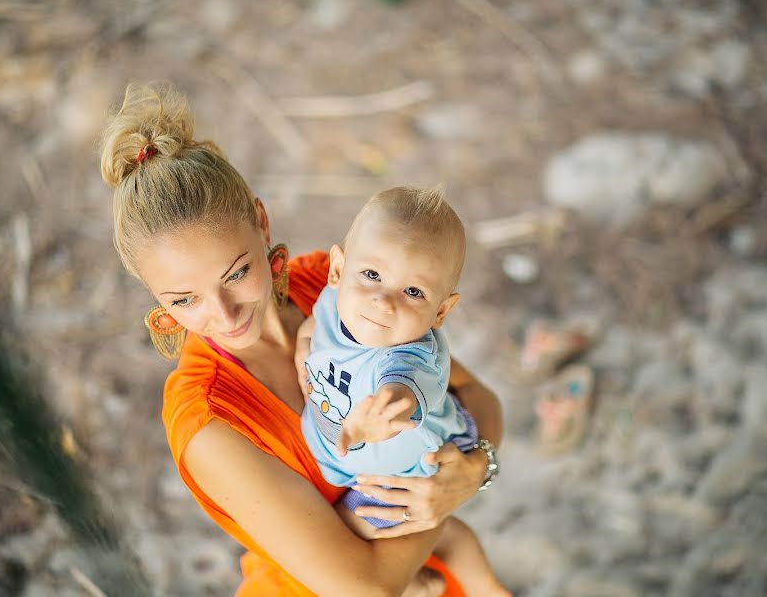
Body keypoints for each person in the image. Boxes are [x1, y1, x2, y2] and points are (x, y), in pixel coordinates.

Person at [99, 82, 504, 596]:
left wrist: (473, 472)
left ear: (262, 223)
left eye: (236, 272)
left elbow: (476, 398)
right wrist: (436, 512)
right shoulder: (209, 423)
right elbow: (367, 589)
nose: (223, 315)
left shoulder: (339, 288)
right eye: (183, 300)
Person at [296, 186, 509, 595]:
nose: (383, 301)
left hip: (413, 465)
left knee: (345, 529)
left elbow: (400, 393)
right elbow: (319, 324)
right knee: (440, 536)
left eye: (414, 292)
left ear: (441, 311)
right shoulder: (331, 304)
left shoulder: (408, 357)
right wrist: (305, 343)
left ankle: (476, 589)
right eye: (372, 275)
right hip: (360, 461)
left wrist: (373, 423)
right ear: (337, 271)